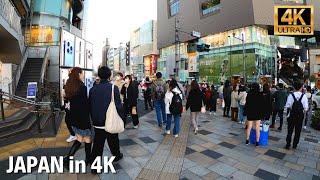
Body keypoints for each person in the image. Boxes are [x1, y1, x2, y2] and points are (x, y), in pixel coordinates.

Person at [89, 66, 124, 173]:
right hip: (110, 120)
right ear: (109, 76)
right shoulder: (113, 88)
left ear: (99, 75)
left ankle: (95, 167)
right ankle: (116, 155)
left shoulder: (93, 89)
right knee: (113, 139)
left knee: (98, 144)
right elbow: (118, 106)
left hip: (97, 122)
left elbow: (90, 105)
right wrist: (122, 118)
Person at [63, 67, 92, 165]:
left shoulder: (68, 86)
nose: (83, 75)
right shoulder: (82, 87)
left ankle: (68, 159)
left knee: (79, 138)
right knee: (87, 139)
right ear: (78, 74)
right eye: (82, 73)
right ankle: (88, 159)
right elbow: (84, 105)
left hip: (73, 118)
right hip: (83, 117)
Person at [285, 81, 308, 150]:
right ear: (301, 88)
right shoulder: (304, 96)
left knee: (290, 130)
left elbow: (287, 106)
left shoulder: (291, 95)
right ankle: (295, 145)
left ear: (294, 88)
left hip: (292, 115)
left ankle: (288, 144)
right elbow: (306, 108)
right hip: (299, 116)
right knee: (298, 131)